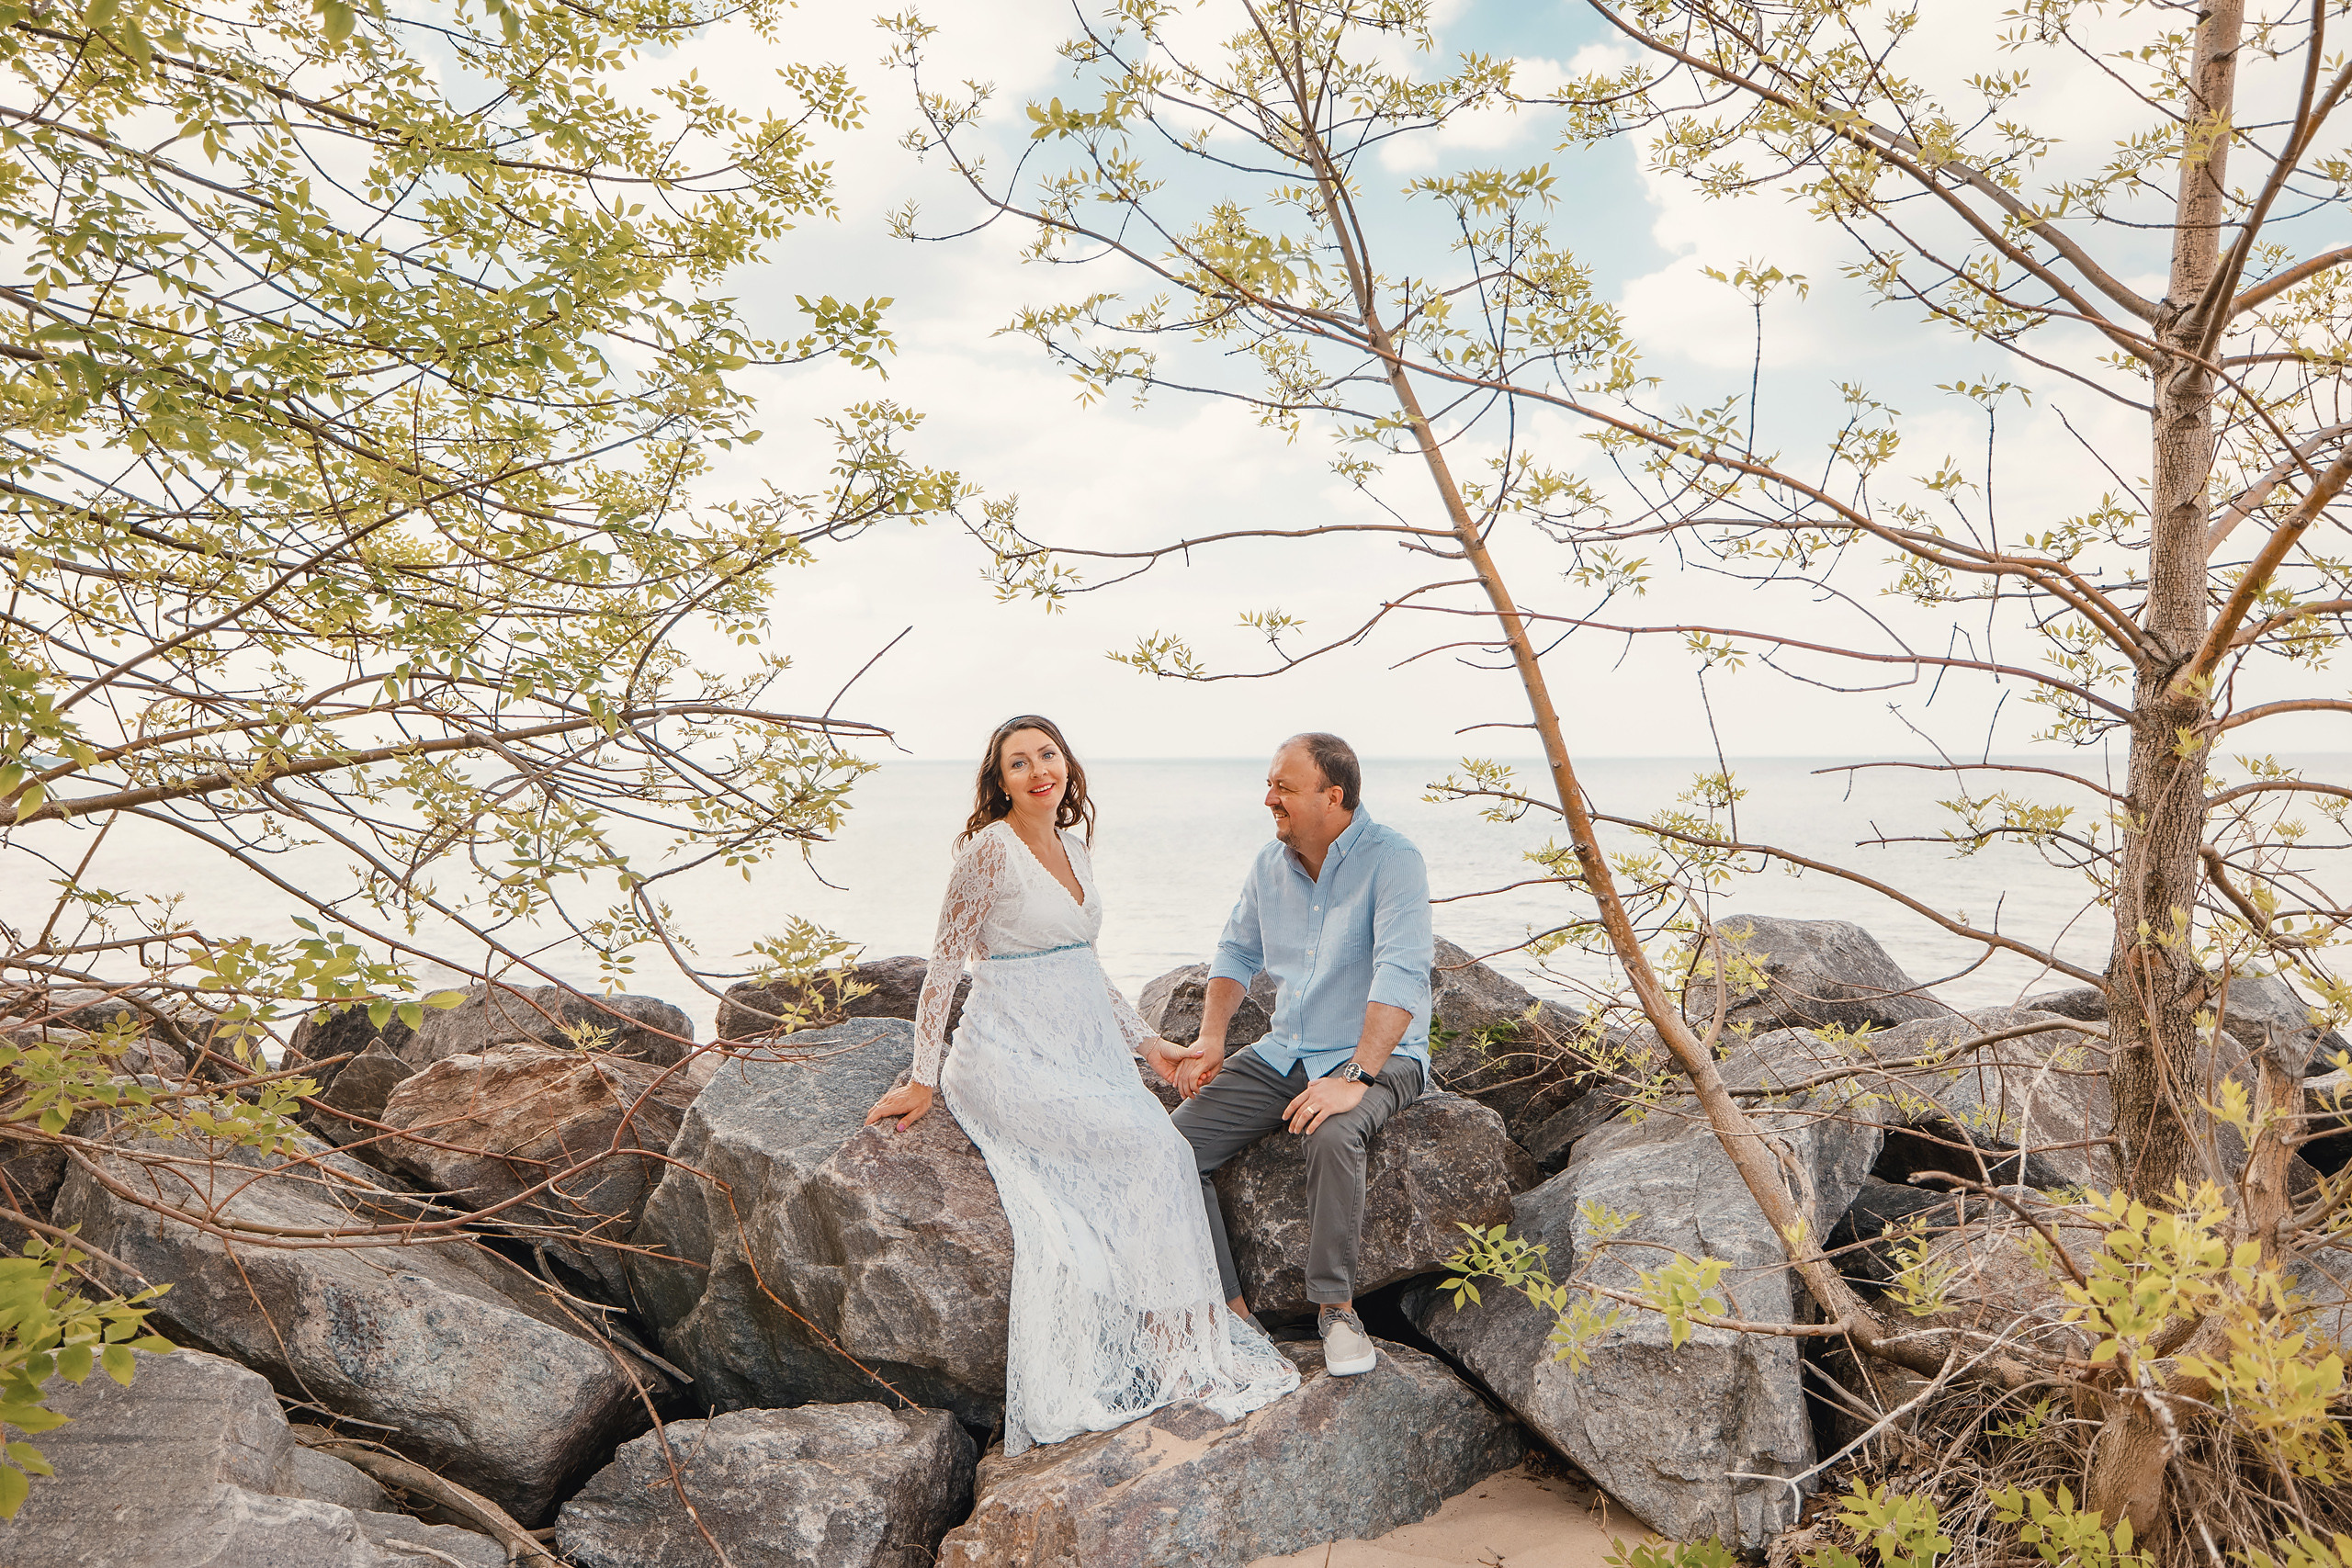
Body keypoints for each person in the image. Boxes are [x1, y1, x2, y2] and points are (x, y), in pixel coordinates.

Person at [861, 715, 1298, 1453]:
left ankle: (1187, 1334)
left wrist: (1149, 1042)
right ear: (999, 780)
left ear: (1065, 763)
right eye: (1018, 762)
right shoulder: (985, 853)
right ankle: (1178, 1339)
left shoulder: (1072, 843)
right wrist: (924, 1079)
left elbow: (1084, 964)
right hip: (1005, 1055)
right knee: (1146, 1154)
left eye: (1048, 754)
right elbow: (942, 970)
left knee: (1160, 1152)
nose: (1039, 770)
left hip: (1084, 1049)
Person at [1170, 732, 1432, 1377]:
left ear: (1332, 795)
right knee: (1170, 1150)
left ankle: (1336, 1311)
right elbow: (1234, 953)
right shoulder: (1269, 864)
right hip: (1285, 1048)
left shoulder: (1394, 860)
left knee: (1334, 1131)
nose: (1269, 799)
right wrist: (1211, 1039)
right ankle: (1232, 1315)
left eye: (1283, 787)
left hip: (1381, 1054)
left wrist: (1357, 1076)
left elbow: (1401, 976)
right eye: (1270, 785)